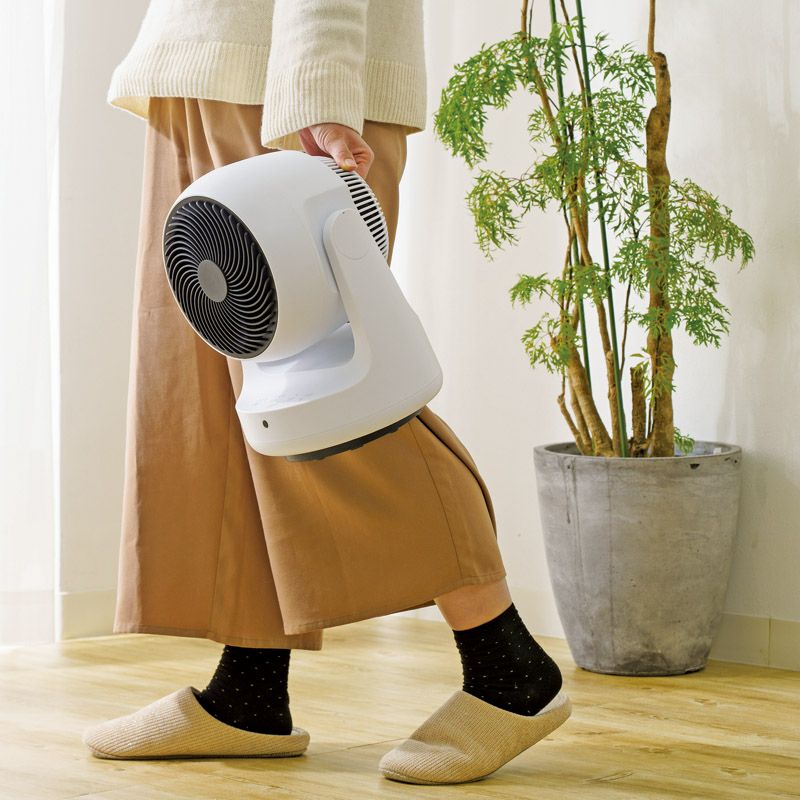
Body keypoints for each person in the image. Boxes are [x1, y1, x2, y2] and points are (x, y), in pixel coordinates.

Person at [81, 0, 570, 784]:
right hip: (212, 71)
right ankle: (249, 693)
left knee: (330, 400)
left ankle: (507, 665)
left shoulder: (305, 94)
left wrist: (322, 90)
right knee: (230, 411)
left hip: (282, 90)